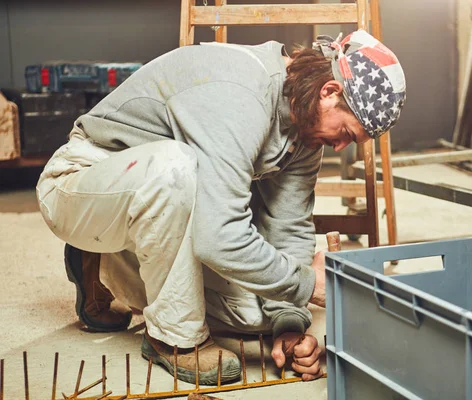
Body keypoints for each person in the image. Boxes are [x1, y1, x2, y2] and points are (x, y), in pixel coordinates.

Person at [36, 29, 406, 385]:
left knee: (254, 313)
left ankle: (110, 265)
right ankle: (173, 338)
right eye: (347, 133)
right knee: (176, 168)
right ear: (329, 92)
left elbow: (288, 227)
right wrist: (307, 285)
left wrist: (290, 323)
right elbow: (218, 237)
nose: (342, 147)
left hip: (152, 211)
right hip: (82, 183)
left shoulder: (305, 131)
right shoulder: (240, 93)